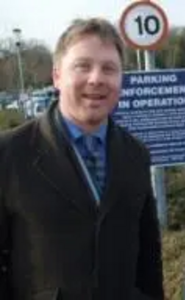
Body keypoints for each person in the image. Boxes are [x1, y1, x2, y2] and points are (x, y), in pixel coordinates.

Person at [0, 18, 164, 300]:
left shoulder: (136, 154)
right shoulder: (10, 153)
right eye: (83, 66)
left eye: (109, 69)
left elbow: (148, 256)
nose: (96, 78)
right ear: (57, 76)